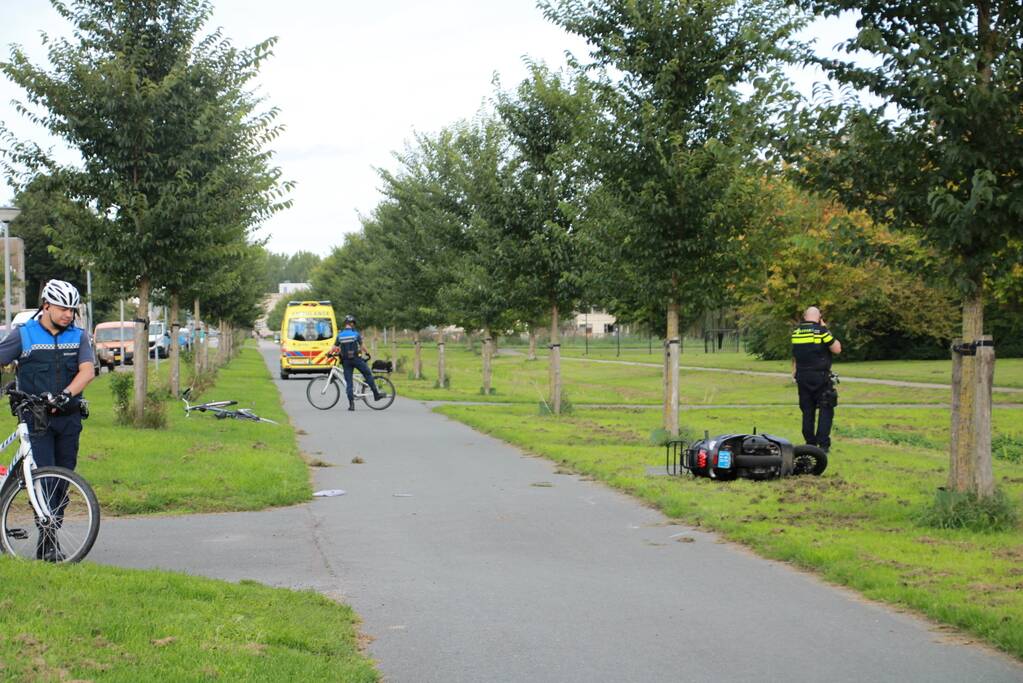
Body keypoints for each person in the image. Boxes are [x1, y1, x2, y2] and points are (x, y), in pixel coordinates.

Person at [0, 279, 95, 561]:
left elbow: (87, 371)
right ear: (47, 305)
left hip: (68, 418)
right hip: (35, 418)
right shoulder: (23, 334)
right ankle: (50, 540)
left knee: (62, 482)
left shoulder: (78, 336)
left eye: (72, 310)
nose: (68, 314)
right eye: (63, 309)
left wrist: (66, 395)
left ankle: (49, 537)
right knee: (44, 478)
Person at [791, 306, 841, 453]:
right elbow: (837, 349)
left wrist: (793, 372)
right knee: (826, 408)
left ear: (805, 317)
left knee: (807, 410)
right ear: (819, 318)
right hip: (820, 376)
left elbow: (795, 354)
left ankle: (809, 442)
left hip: (802, 376)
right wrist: (826, 329)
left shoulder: (796, 332)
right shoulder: (821, 332)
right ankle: (823, 445)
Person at [331, 314, 382, 411]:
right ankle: (376, 394)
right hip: (356, 359)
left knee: (349, 383)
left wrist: (329, 353)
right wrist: (367, 353)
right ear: (351, 323)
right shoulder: (355, 334)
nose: (353, 325)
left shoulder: (340, 335)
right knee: (367, 374)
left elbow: (334, 347)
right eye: (353, 323)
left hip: (345, 361)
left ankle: (351, 405)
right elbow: (362, 346)